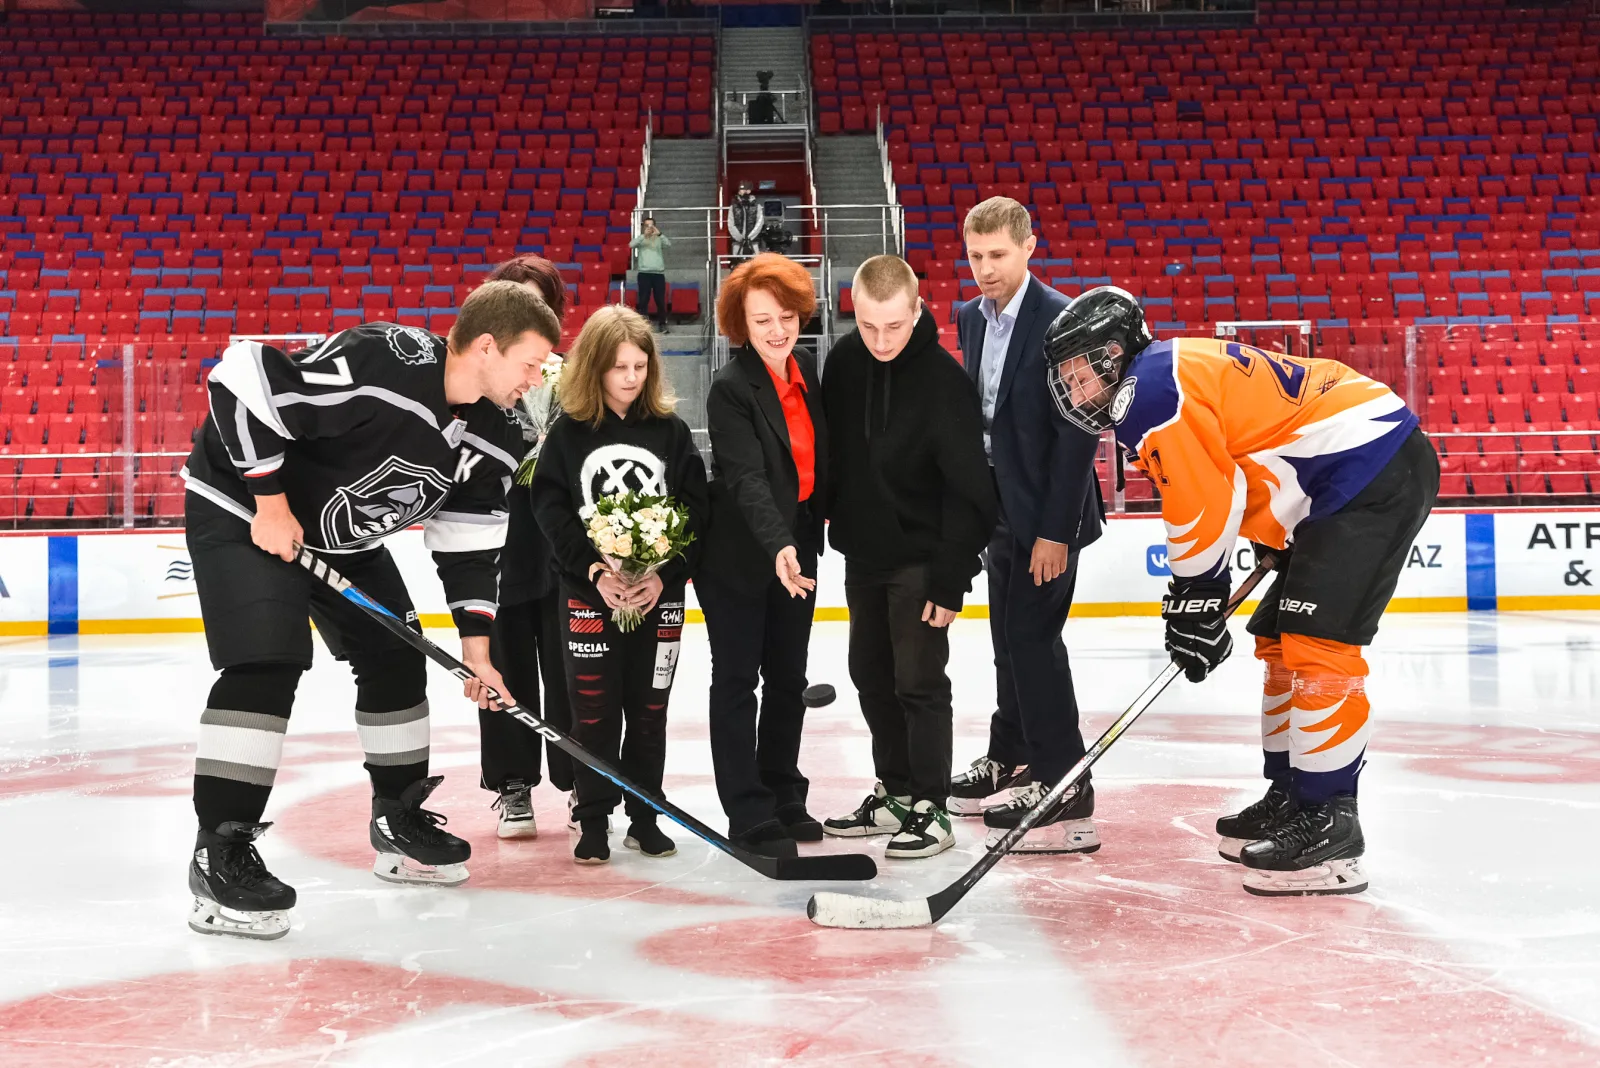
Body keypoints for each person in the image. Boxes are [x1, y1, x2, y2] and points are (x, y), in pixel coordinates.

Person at [182, 281, 562, 940]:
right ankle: (220, 852)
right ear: (485, 347)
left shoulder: (503, 432)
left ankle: (398, 817)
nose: (536, 380)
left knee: (395, 658)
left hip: (340, 539)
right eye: (530, 363)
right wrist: (270, 502)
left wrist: (477, 653)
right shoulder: (385, 362)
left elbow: (469, 540)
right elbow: (241, 379)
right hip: (243, 508)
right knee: (267, 662)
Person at [1045, 286, 1439, 896]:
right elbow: (1242, 459)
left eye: (1078, 371)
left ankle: (1330, 821)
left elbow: (1203, 498)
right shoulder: (1164, 372)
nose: (1073, 389)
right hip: (1334, 478)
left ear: (1112, 353)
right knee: (1279, 643)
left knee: (1317, 644)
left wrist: (1196, 597)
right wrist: (1262, 544)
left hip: (1370, 466)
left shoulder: (1149, 389)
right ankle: (1293, 795)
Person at [819, 254, 998, 860]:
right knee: (870, 676)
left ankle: (931, 805)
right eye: (869, 326)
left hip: (923, 560)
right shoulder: (845, 362)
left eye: (893, 326)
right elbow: (835, 457)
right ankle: (895, 792)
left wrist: (951, 580)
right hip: (864, 555)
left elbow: (971, 493)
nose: (881, 340)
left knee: (918, 682)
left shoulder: (944, 382)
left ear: (918, 310)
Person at [529, 305, 708, 866]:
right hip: (588, 599)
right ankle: (592, 819)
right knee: (594, 715)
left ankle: (645, 817)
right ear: (595, 368)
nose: (631, 378)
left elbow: (697, 513)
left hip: (660, 601)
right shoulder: (568, 434)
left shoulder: (672, 433)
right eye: (619, 367)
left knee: (650, 712)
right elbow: (551, 511)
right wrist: (596, 572)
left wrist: (662, 575)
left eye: (639, 366)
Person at [953, 196, 1105, 853]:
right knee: (1006, 641)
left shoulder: (1065, 321)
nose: (985, 268)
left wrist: (1055, 531)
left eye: (997, 255)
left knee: (1033, 640)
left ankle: (1064, 779)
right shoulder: (970, 318)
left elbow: (1079, 436)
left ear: (1028, 247)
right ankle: (1010, 756)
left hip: (1048, 514)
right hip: (998, 510)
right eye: (975, 256)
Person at [700, 254, 826, 859]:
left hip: (797, 546)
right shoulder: (730, 389)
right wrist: (779, 545)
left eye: (785, 316)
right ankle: (748, 811)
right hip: (739, 555)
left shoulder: (807, 372)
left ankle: (782, 792)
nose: (777, 330)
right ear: (740, 325)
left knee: (788, 677)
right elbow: (748, 479)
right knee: (736, 680)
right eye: (761, 320)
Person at [474, 255, 573, 840]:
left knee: (569, 666)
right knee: (504, 664)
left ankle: (579, 779)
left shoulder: (567, 374)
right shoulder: (478, 375)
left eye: (537, 299)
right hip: (497, 540)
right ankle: (512, 784)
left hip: (557, 538)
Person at [630, 217, 672, 331]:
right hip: (644, 274)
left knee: (660, 300)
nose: (649, 227)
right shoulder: (641, 238)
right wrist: (643, 236)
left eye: (651, 225)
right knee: (643, 300)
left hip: (658, 274)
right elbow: (631, 244)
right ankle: (643, 326)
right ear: (643, 227)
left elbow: (668, 244)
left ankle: (662, 324)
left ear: (654, 226)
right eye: (647, 225)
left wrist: (660, 234)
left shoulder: (659, 238)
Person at [728, 182, 764, 260]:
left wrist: (750, 236)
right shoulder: (733, 207)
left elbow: (760, 222)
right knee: (737, 262)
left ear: (749, 191)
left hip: (753, 240)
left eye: (743, 189)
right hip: (737, 241)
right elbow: (730, 223)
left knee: (756, 261)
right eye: (740, 189)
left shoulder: (757, 206)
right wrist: (739, 237)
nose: (741, 191)